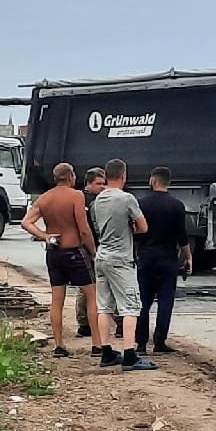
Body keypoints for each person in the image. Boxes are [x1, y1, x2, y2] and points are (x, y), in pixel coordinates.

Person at [21, 162, 99, 357]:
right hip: (75, 251)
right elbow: (83, 228)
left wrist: (44, 235)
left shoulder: (45, 198)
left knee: (57, 299)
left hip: (54, 252)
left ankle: (59, 345)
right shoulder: (76, 196)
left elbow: (26, 222)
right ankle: (97, 344)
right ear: (71, 177)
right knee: (91, 295)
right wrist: (93, 251)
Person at [88, 158, 156, 371]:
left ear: (106, 176)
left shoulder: (97, 200)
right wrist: (130, 228)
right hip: (120, 258)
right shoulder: (127, 199)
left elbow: (98, 228)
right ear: (124, 175)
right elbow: (143, 227)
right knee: (130, 307)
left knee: (105, 306)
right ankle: (129, 354)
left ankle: (106, 351)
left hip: (101, 257)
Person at [133, 166, 192, 356]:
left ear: (153, 180)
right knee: (166, 301)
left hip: (146, 257)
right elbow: (182, 236)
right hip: (167, 258)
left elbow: (135, 233)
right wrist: (188, 257)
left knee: (143, 301)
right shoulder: (177, 205)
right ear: (169, 182)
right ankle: (159, 342)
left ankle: (141, 343)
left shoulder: (141, 203)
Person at [74, 166, 107, 347]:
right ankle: (85, 323)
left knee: (87, 287)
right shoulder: (85, 200)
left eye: (104, 183)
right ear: (89, 183)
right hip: (88, 247)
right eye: (99, 183)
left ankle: (85, 322)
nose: (102, 187)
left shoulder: (87, 198)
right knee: (89, 287)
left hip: (92, 246)